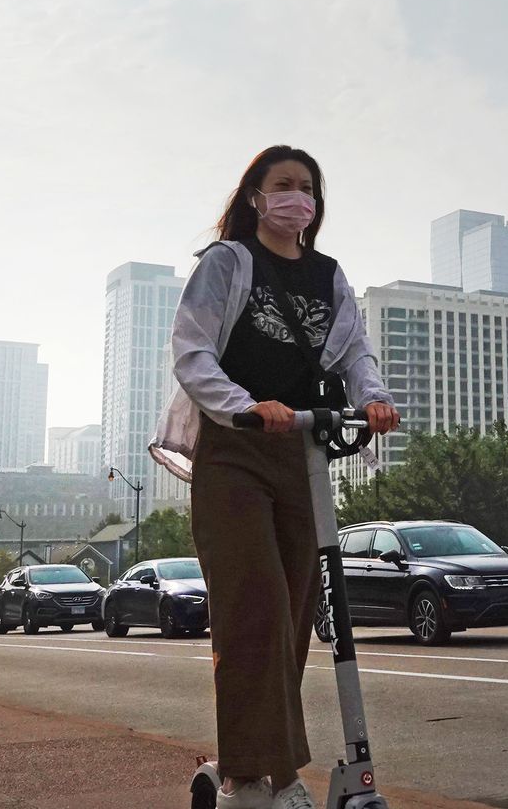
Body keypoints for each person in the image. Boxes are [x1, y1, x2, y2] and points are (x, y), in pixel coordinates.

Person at [162, 145, 399, 809]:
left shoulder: (328, 274)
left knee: (294, 615)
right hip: (236, 449)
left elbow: (355, 349)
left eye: (307, 187)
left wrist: (373, 398)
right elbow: (192, 346)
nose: (297, 197)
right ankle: (249, 776)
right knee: (253, 607)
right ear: (255, 198)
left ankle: (276, 769)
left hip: (302, 452)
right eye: (283, 185)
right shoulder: (229, 263)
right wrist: (244, 406)